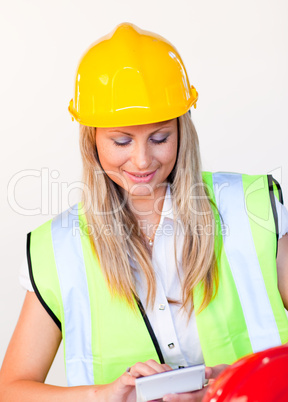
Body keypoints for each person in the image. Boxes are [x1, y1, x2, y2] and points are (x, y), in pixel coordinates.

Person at [0, 22, 288, 402]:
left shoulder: (250, 208)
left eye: (159, 137)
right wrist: (105, 395)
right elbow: (11, 389)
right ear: (92, 140)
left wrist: (237, 379)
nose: (142, 160)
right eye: (121, 140)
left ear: (182, 130)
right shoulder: (57, 248)